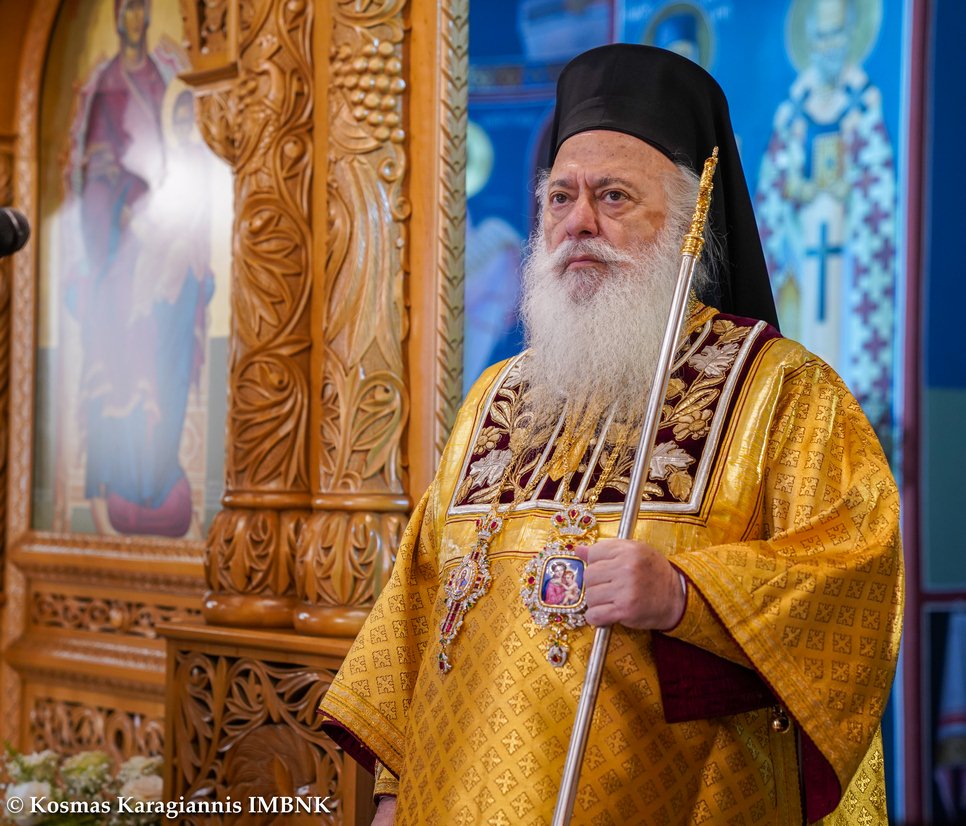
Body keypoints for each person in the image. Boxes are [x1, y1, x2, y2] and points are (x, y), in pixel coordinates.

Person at [318, 44, 903, 825]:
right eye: (560, 197)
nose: (578, 223)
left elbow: (851, 580)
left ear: (690, 223)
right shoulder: (495, 398)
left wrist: (684, 596)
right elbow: (417, 613)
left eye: (614, 196)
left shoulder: (783, 391)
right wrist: (395, 795)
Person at [65, 0, 210, 537]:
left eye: (140, 9)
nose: (132, 18)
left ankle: (156, 476)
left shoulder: (161, 79)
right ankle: (122, 478)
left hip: (162, 245)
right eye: (125, 8)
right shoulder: (107, 82)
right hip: (117, 240)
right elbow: (92, 168)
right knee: (119, 359)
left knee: (161, 359)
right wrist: (119, 203)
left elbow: (180, 165)